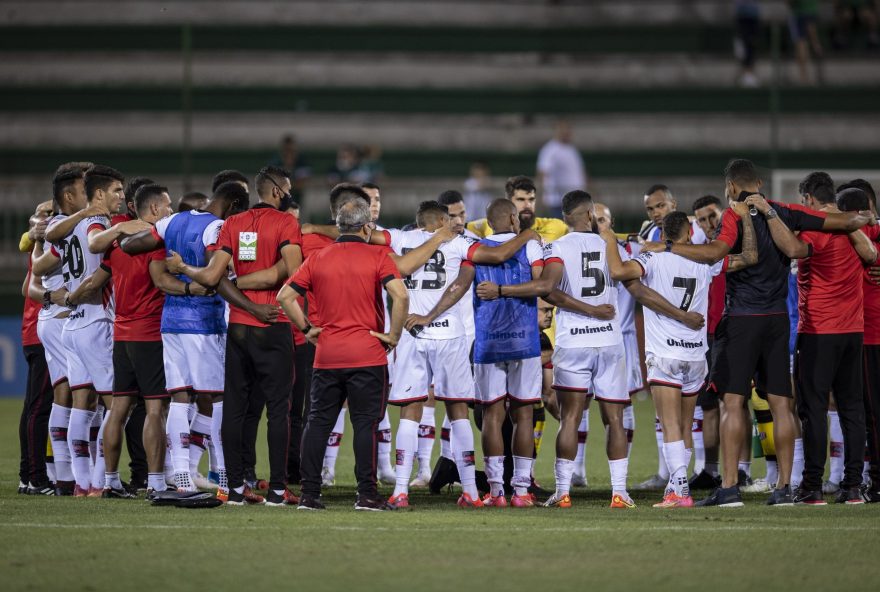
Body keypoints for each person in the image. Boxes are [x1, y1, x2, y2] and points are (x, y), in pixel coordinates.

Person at [643, 158, 874, 506]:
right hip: (778, 319)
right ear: (761, 186)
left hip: (742, 321)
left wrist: (668, 247)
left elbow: (716, 253)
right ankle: (785, 487)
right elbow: (844, 221)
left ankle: (731, 487)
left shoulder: (732, 217)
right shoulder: (783, 211)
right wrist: (864, 219)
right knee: (783, 404)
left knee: (732, 403)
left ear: (731, 188)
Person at [380, 201, 542, 508]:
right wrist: (526, 235)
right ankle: (470, 491)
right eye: (450, 217)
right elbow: (496, 256)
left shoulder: (399, 239)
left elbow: (361, 233)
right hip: (450, 334)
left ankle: (400, 490)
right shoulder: (460, 240)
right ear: (442, 219)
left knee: (410, 411)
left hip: (412, 333)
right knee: (458, 412)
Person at [166, 166, 303, 506]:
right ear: (275, 191)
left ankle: (236, 489)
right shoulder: (286, 223)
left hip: (238, 327)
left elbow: (214, 276)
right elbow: (295, 271)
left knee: (236, 408)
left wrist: (186, 270)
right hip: (272, 321)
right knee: (279, 410)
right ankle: (276, 490)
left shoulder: (235, 224)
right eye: (286, 189)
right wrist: (267, 279)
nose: (289, 194)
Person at [604, 206, 758, 507]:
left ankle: (679, 491)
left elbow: (618, 272)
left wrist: (610, 239)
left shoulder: (652, 258)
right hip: (696, 356)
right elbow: (750, 257)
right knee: (687, 425)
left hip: (665, 353)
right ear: (689, 234)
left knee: (669, 424)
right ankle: (677, 485)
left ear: (662, 235)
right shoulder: (706, 262)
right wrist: (748, 223)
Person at [749, 174, 876, 504]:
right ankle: (851, 487)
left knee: (814, 410)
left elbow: (791, 248)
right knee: (852, 409)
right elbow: (872, 255)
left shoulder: (815, 228)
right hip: (854, 333)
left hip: (819, 332)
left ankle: (813, 486)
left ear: (807, 199)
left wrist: (771, 215)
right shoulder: (854, 229)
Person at [277, 192, 409, 511]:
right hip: (367, 354)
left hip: (328, 354)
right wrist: (392, 335)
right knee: (365, 424)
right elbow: (401, 297)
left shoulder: (318, 258)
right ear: (366, 227)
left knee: (318, 422)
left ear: (339, 226)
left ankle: (309, 494)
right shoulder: (378, 257)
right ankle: (366, 495)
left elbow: (284, 296)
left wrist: (308, 329)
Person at [66, 184, 177, 498]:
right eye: (167, 206)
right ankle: (156, 482)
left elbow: (94, 282)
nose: (170, 211)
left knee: (119, 410)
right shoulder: (156, 244)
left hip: (121, 335)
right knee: (156, 410)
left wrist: (70, 298)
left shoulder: (117, 245)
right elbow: (164, 280)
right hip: (149, 333)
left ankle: (110, 482)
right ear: (153, 209)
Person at [836, 180, 880, 502]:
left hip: (870, 334)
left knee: (871, 412)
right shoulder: (844, 237)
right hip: (856, 333)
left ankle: (876, 481)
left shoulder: (863, 236)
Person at [18, 200, 55, 495]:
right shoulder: (49, 241)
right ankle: (35, 477)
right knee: (39, 408)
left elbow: (24, 288)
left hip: (33, 332)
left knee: (34, 407)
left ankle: (26, 474)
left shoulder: (38, 245)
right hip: (42, 334)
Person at [467, 176, 567, 242]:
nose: (527, 205)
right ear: (509, 202)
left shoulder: (556, 226)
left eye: (531, 200)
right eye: (521, 200)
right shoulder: (487, 225)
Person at [536, 120, 587, 217]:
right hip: (559, 201)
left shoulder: (572, 149)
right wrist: (541, 195)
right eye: (563, 129)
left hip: (576, 200)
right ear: (557, 131)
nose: (566, 132)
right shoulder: (550, 150)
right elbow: (542, 172)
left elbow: (580, 172)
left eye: (568, 129)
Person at [789, 0, 824, 85]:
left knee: (801, 43)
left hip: (801, 13)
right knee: (809, 43)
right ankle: (807, 76)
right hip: (810, 13)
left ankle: (804, 77)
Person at [270, 134, 311, 205]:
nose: (289, 153)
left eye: (291, 150)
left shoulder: (302, 162)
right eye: (286, 150)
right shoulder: (276, 163)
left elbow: (302, 183)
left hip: (297, 201)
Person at [735, 1, 761, 87]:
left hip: (753, 14)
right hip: (742, 15)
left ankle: (750, 72)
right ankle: (745, 73)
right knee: (744, 44)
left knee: (752, 44)